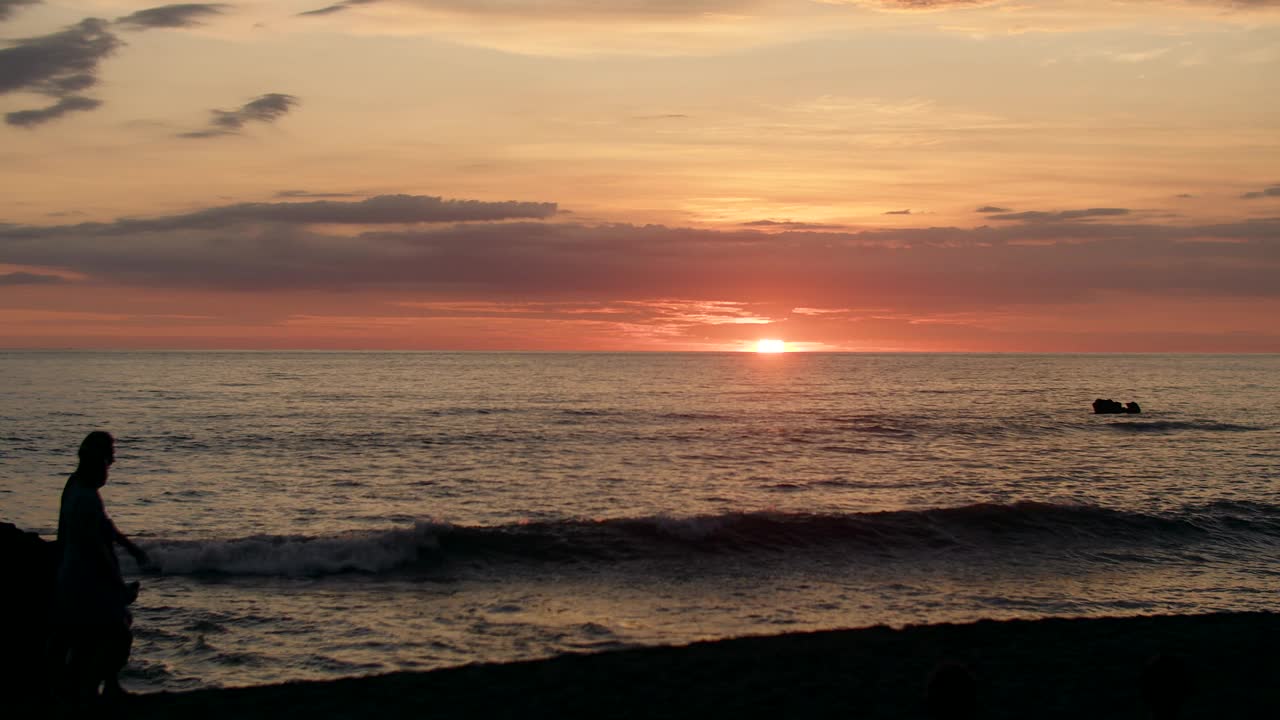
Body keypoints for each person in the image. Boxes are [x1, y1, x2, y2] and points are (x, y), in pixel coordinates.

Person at [54, 431, 152, 705]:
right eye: (109, 458)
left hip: (75, 578)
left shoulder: (76, 486)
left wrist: (130, 547)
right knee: (115, 634)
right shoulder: (84, 498)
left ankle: (101, 686)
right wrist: (117, 587)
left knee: (91, 636)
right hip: (87, 581)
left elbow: (104, 525)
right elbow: (95, 549)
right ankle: (94, 688)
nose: (112, 463)